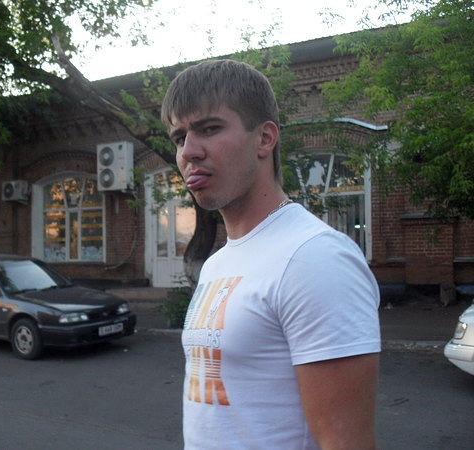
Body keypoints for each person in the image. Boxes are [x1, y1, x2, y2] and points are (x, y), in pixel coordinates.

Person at [161, 59, 381, 450]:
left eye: (209, 129)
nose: (189, 152)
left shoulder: (314, 258)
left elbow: (345, 442)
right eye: (179, 137)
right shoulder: (218, 263)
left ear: (265, 139)